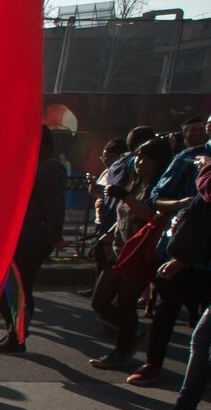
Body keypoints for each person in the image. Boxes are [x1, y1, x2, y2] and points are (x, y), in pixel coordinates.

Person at [128, 114, 211, 386]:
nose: (200, 134)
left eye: (202, 129)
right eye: (198, 129)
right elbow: (158, 200)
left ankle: (195, 382)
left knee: (202, 327)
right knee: (167, 310)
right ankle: (153, 364)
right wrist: (182, 203)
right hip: (183, 249)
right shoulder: (189, 158)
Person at [88, 137, 173, 369]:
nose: (140, 162)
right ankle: (131, 334)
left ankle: (121, 351)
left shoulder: (159, 187)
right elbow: (124, 213)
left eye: (146, 158)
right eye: (138, 157)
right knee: (100, 302)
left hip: (137, 254)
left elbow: (150, 217)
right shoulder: (135, 183)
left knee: (126, 304)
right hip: (118, 250)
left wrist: (124, 196)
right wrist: (107, 234)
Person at [0, 125, 66, 354]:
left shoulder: (50, 168)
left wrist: (54, 236)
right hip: (21, 235)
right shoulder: (36, 165)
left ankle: (18, 335)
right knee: (12, 288)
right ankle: (16, 333)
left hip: (32, 237)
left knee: (18, 288)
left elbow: (54, 206)